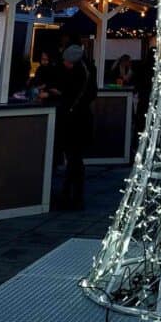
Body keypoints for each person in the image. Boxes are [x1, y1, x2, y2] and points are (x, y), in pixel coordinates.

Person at [55, 44, 97, 209]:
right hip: (82, 120)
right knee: (76, 159)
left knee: (74, 159)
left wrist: (59, 94)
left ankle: (70, 195)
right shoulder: (87, 73)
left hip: (73, 121)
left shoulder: (76, 76)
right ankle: (72, 195)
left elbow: (69, 93)